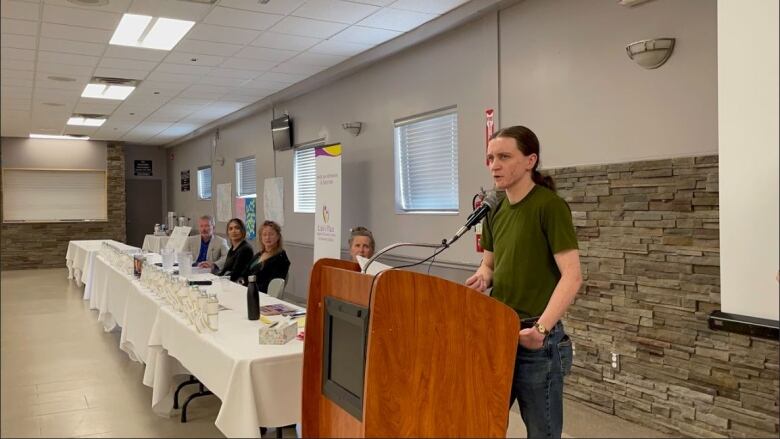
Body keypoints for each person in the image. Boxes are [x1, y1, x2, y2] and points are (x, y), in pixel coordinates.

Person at [465, 125, 582, 439]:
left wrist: (541, 330)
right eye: (490, 158)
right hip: (499, 333)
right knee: (484, 423)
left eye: (504, 156)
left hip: (537, 340)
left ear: (530, 160)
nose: (494, 165)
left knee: (541, 433)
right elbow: (489, 263)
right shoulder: (494, 208)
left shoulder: (549, 206)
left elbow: (572, 277)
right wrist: (481, 277)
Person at [239, 220, 290, 293]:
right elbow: (244, 273)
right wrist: (240, 282)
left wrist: (248, 287)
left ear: (278, 236)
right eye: (264, 235)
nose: (267, 237)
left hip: (260, 295)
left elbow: (269, 285)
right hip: (247, 290)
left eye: (271, 234)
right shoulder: (259, 254)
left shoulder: (281, 258)